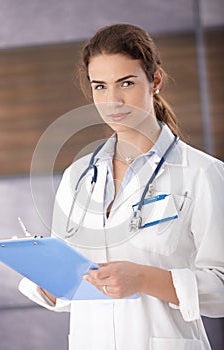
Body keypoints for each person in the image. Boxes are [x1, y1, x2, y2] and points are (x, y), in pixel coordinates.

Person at [19, 23, 224, 350]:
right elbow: (68, 286)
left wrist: (144, 279)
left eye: (126, 83)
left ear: (155, 81)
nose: (112, 100)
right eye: (99, 87)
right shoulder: (78, 176)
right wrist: (49, 280)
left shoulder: (201, 173)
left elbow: (221, 287)